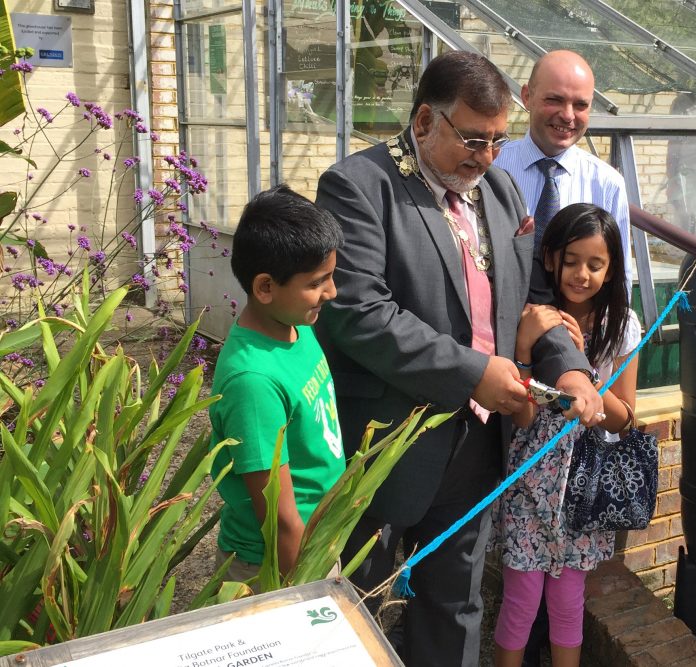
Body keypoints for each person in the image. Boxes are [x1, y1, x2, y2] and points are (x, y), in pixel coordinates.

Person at [313, 51, 602, 667]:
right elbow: (361, 313)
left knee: (456, 606)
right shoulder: (359, 187)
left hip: (475, 440)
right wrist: (474, 372)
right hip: (384, 442)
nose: (488, 156)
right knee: (355, 609)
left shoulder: (498, 188)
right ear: (423, 122)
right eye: (473, 139)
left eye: (499, 140)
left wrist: (568, 365)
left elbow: (532, 299)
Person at [492, 203, 641, 667]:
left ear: (612, 268)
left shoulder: (622, 325)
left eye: (595, 264)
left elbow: (625, 419)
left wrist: (581, 370)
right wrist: (524, 347)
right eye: (571, 260)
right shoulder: (533, 314)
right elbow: (520, 417)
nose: (581, 274)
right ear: (550, 258)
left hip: (584, 489)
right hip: (530, 483)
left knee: (568, 601)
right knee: (520, 598)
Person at [210, 184, 346, 584]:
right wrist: (303, 592)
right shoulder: (253, 382)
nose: (332, 292)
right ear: (266, 287)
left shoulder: (295, 327)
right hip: (275, 564)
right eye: (317, 282)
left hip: (315, 544)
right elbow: (280, 518)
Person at [494, 50, 631, 289]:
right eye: (554, 100)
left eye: (580, 105)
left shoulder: (607, 184)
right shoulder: (491, 168)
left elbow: (620, 279)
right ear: (527, 97)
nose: (568, 115)